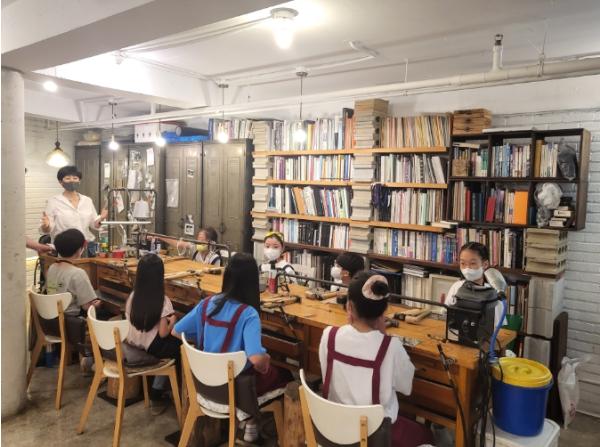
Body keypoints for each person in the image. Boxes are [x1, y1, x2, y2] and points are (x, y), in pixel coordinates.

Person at [173, 253, 291, 442]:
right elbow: (256, 359)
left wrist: (205, 341)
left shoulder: (207, 304)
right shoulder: (249, 314)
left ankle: (249, 422)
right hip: (234, 392)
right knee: (285, 376)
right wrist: (266, 361)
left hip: (204, 386)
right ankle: (252, 421)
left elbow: (177, 331)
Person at [319, 271, 433, 446]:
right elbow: (406, 387)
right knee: (425, 434)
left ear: (349, 306)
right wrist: (383, 335)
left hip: (335, 431)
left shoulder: (329, 336)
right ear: (384, 311)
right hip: (374, 437)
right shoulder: (391, 347)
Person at [125, 253, 180, 415]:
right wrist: (173, 321)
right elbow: (163, 333)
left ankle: (157, 388)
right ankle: (158, 392)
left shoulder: (132, 296)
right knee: (180, 347)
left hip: (133, 341)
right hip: (152, 346)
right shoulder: (162, 300)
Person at [44, 229, 103, 374]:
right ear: (79, 250)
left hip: (50, 322)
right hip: (69, 324)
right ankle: (93, 360)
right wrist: (99, 303)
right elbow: (87, 306)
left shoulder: (52, 267)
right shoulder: (77, 273)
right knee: (106, 314)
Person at [40, 165, 108, 252]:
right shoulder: (53, 201)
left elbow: (94, 224)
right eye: (67, 178)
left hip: (85, 246)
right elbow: (47, 229)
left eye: (75, 178)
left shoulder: (87, 200)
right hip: (64, 248)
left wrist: (101, 218)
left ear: (79, 181)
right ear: (61, 182)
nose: (72, 181)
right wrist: (45, 226)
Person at [445, 242, 506, 327]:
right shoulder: (456, 287)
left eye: (472, 263)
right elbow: (447, 314)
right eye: (463, 263)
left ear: (485, 264)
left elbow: (498, 327)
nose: (467, 268)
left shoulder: (493, 294)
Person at [158, 227, 222, 266]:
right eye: (198, 239)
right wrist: (159, 237)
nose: (199, 242)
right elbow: (178, 243)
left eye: (202, 240)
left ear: (211, 242)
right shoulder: (195, 249)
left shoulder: (214, 258)